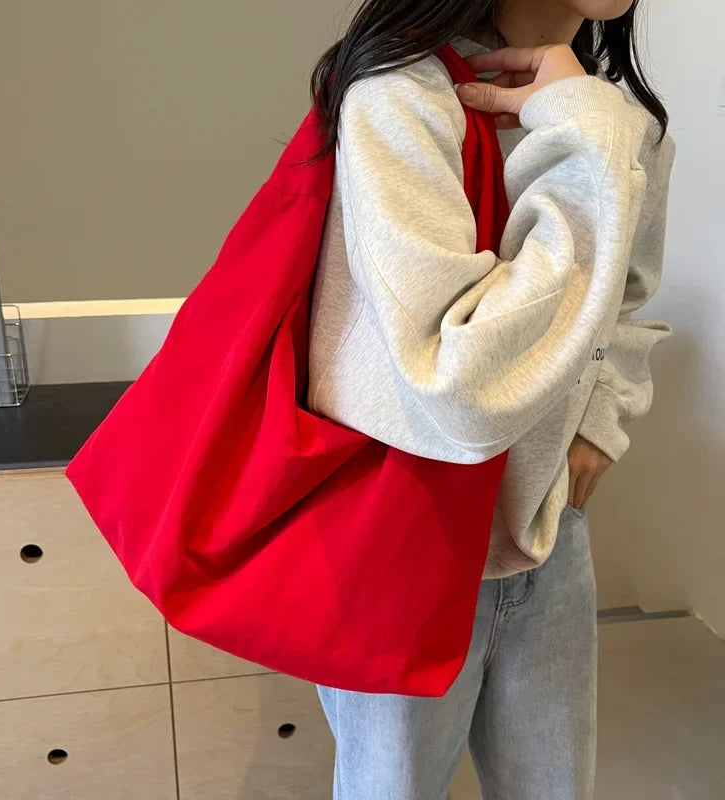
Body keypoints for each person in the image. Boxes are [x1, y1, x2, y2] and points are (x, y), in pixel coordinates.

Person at [306, 1, 674, 797]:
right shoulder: (401, 93)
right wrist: (583, 129)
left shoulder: (611, 115)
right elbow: (463, 388)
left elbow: (627, 296)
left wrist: (600, 422)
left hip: (548, 533)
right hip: (406, 540)